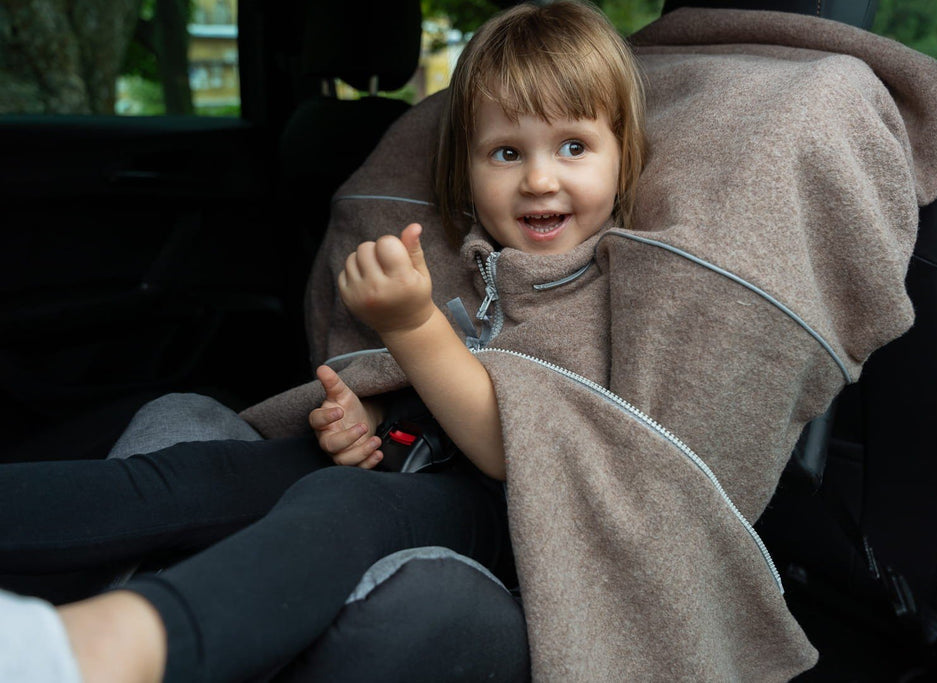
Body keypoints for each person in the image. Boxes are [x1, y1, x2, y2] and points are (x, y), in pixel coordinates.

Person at [0, 2, 647, 682]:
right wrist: (360, 416)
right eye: (507, 152)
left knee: (345, 507)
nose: (539, 178)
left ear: (623, 153)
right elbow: (408, 397)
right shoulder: (470, 258)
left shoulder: (609, 285)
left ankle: (102, 649)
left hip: (498, 518)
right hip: (397, 463)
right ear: (468, 169)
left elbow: (508, 446)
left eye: (573, 146)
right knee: (199, 474)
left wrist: (411, 325)